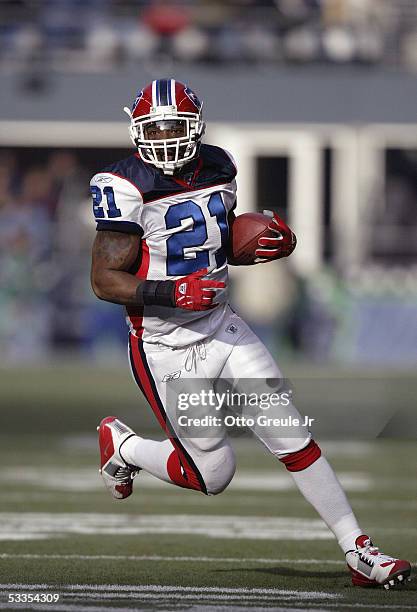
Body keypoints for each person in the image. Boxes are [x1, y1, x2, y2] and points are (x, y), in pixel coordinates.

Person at [90, 78, 411, 589]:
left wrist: (265, 243)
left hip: (222, 326)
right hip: (166, 347)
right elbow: (105, 280)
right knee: (212, 475)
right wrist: (170, 295)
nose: (167, 135)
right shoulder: (125, 185)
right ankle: (124, 448)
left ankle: (358, 550)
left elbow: (218, 245)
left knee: (292, 433)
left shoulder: (219, 165)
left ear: (195, 125)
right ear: (137, 130)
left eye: (175, 125)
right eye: (156, 127)